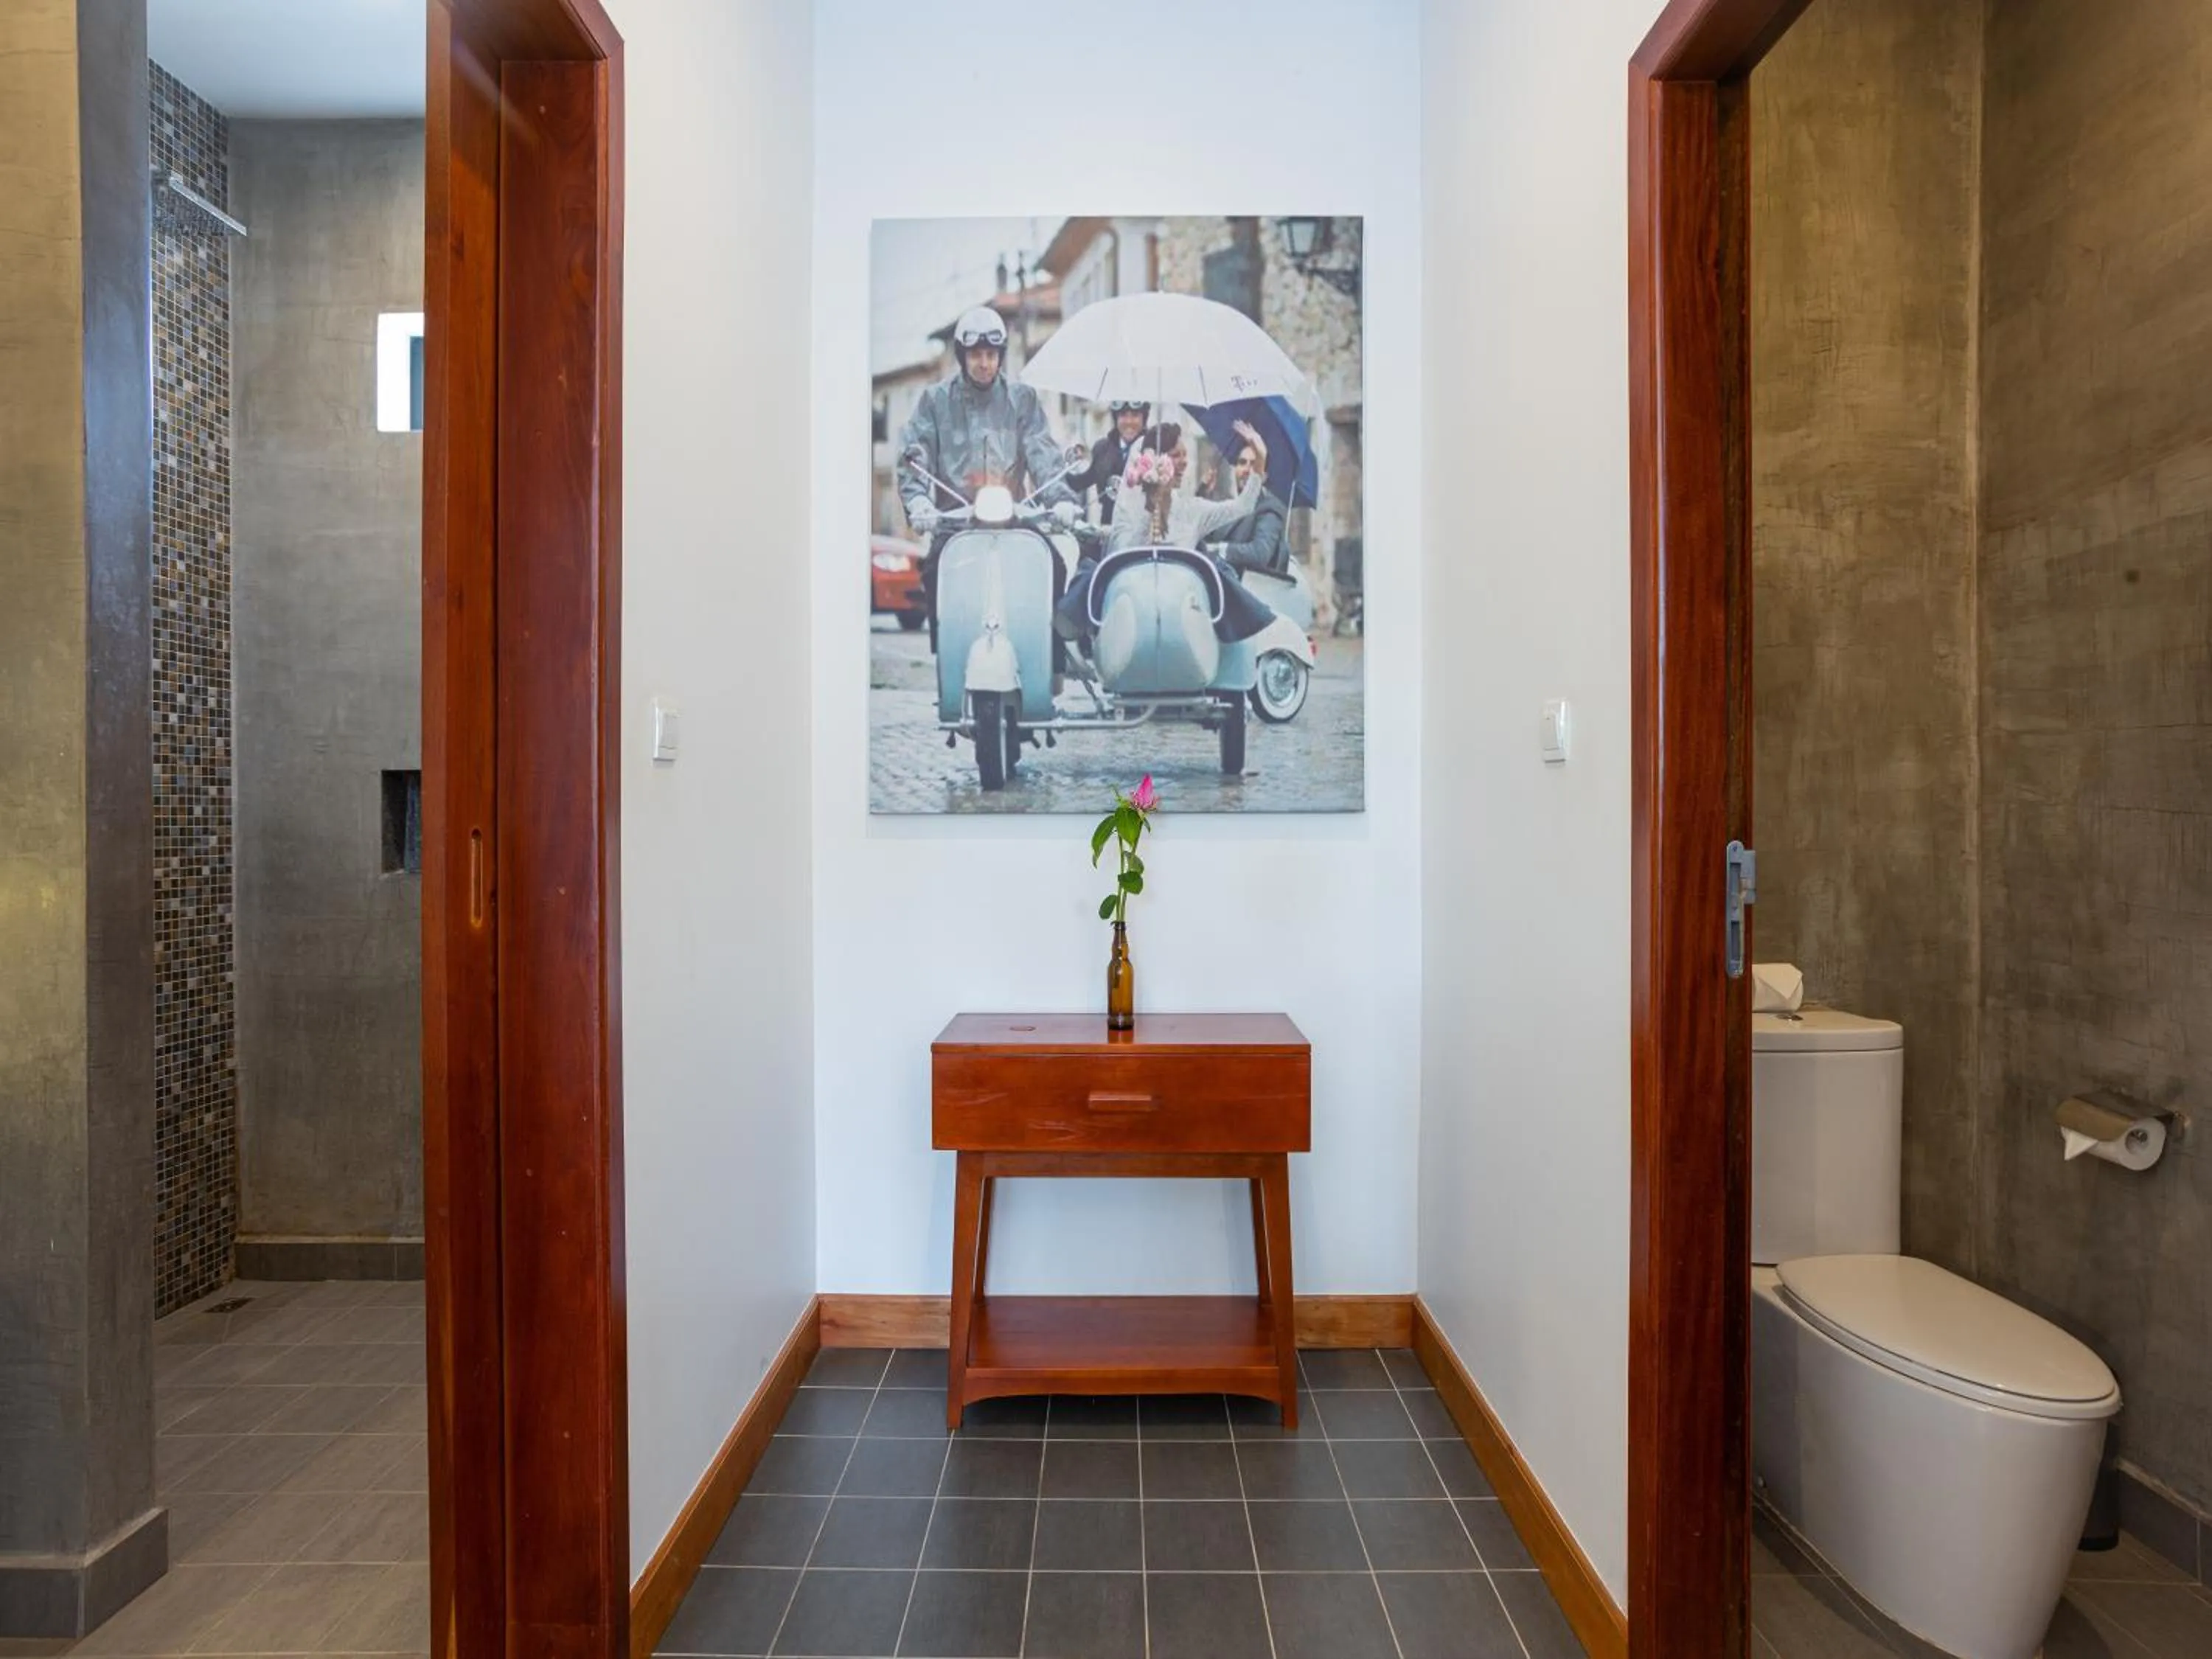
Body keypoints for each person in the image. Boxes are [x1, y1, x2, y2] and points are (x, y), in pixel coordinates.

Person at [897, 305, 1074, 644]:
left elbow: (1043, 452)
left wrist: (1062, 498)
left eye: (991, 354)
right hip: (954, 520)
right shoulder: (935, 401)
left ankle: (1050, 656)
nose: (984, 362)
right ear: (963, 356)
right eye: (976, 354)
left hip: (1014, 516)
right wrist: (919, 500)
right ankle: (947, 651)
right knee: (934, 571)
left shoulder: (1021, 399)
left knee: (1053, 565)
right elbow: (915, 451)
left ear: (1001, 356)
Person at [1057, 420, 1277, 644]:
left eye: (1185, 455)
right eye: (1175, 455)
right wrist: (1152, 504)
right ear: (1153, 463)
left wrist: (1260, 457)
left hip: (1182, 614)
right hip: (1133, 611)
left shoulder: (1193, 510)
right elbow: (1120, 554)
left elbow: (1243, 506)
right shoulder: (1132, 509)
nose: (1184, 462)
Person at [1212, 437, 1290, 576]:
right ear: (1235, 469)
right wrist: (1203, 490)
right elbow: (1206, 534)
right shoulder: (1229, 507)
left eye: (1254, 465)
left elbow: (1260, 553)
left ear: (1264, 476)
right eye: (1242, 463)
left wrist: (1222, 550)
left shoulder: (1270, 509)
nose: (1247, 470)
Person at [1068, 400, 1150, 526]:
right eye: (1123, 415)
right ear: (1115, 418)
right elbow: (1080, 482)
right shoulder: (1102, 449)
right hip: (1109, 530)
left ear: (1144, 418)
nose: (1129, 422)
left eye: (1135, 415)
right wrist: (1071, 464)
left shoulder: (1153, 448)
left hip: (1142, 530)